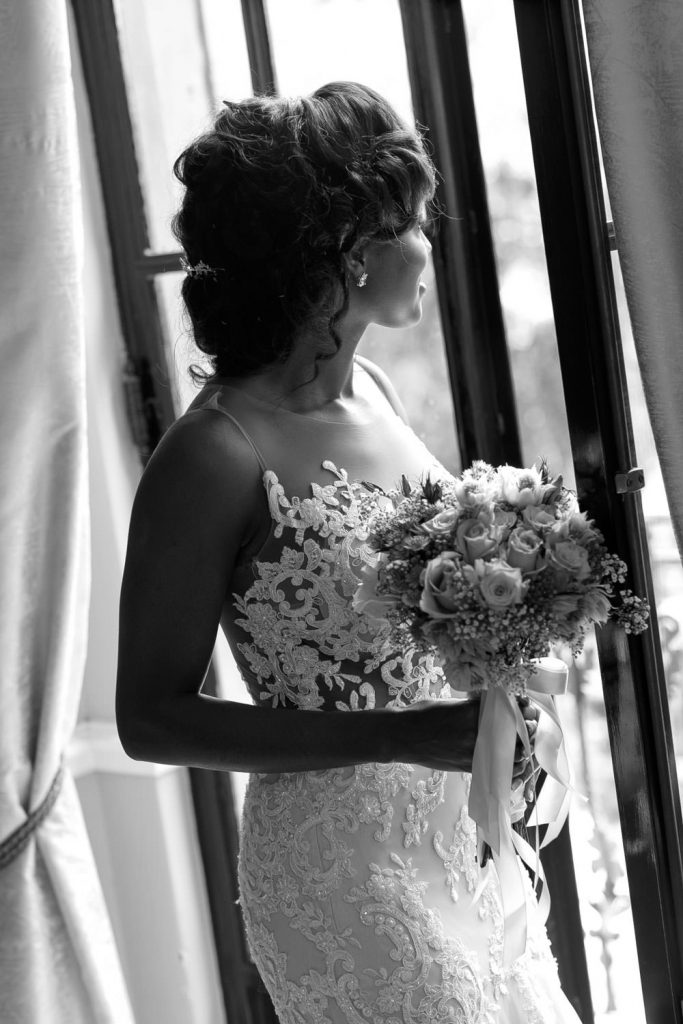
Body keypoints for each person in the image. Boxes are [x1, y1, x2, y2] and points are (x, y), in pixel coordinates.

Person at [116, 82, 581, 1023]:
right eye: (410, 220)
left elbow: (401, 629)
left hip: (457, 836)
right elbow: (150, 719)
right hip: (342, 870)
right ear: (340, 253)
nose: (427, 242)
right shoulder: (212, 453)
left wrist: (492, 683)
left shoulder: (371, 387)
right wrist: (398, 736)